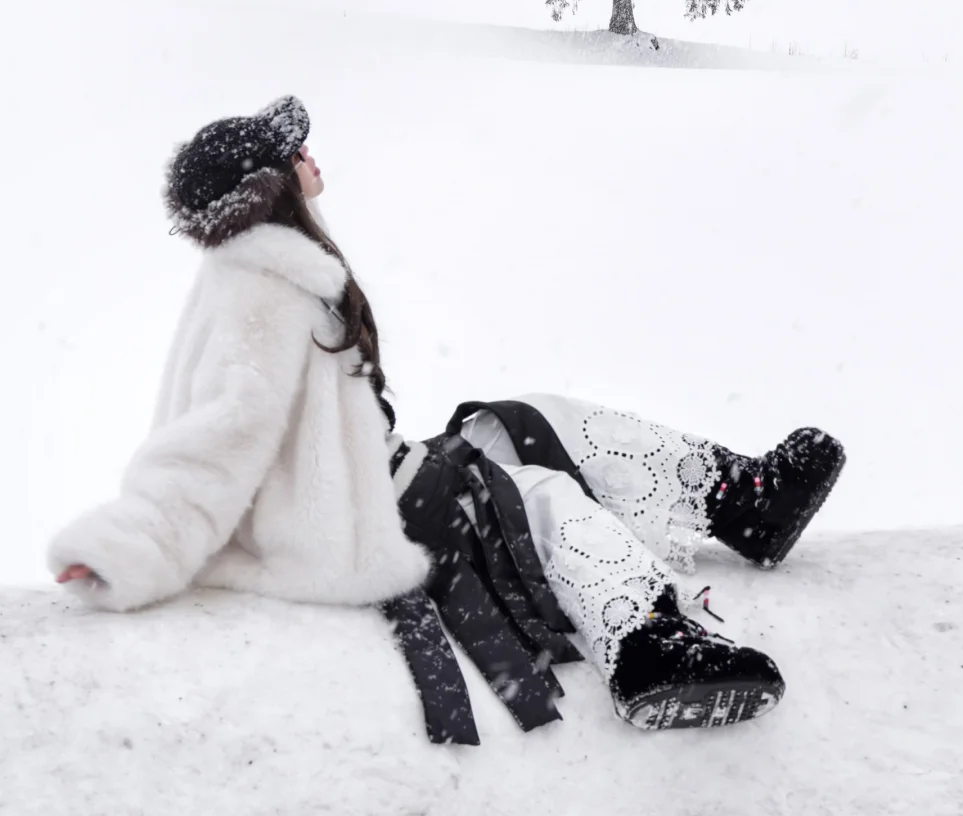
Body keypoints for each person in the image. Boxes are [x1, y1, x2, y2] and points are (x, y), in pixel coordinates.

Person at [48, 96, 846, 743]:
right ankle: (647, 651)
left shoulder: (263, 271)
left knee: (533, 416)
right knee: (535, 492)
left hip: (385, 474)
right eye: (297, 151)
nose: (313, 156)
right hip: (366, 521)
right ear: (273, 185)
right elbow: (213, 445)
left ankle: (743, 500)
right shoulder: (266, 291)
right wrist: (131, 546)